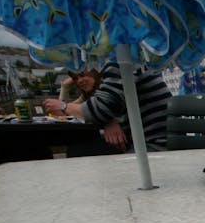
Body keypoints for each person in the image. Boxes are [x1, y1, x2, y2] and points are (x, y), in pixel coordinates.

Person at [43, 62, 171, 156]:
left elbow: (99, 110)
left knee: (77, 152)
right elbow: (98, 110)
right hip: (151, 140)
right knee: (81, 149)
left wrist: (63, 106)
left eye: (83, 75)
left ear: (94, 70)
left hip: (154, 145)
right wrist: (107, 120)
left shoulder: (118, 64)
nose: (80, 81)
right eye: (76, 78)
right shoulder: (126, 62)